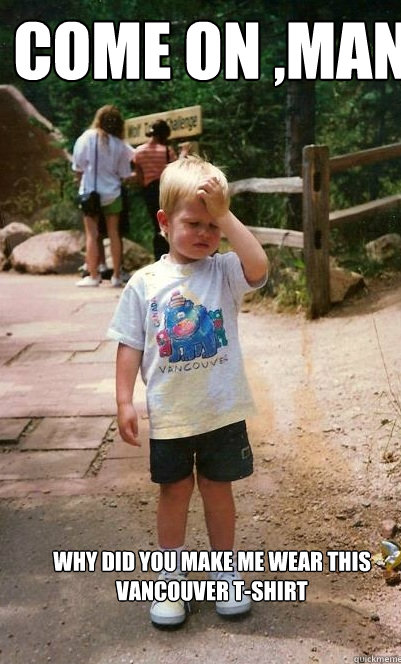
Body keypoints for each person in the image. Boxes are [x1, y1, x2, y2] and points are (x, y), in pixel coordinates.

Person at [107, 155, 268, 627]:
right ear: (163, 222)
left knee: (219, 491)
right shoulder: (145, 283)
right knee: (174, 492)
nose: (205, 234)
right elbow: (129, 344)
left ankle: (225, 573)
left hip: (220, 411)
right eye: (193, 223)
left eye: (212, 226)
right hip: (171, 415)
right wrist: (123, 400)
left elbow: (258, 265)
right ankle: (171, 579)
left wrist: (226, 216)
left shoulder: (223, 272)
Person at [73, 105, 134, 287]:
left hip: (90, 193)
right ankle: (116, 275)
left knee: (92, 235)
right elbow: (124, 174)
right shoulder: (120, 144)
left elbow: (78, 167)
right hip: (113, 193)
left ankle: (93, 276)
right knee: (114, 234)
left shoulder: (86, 138)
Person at [134, 119, 189, 261]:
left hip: (148, 190)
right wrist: (184, 152)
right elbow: (176, 167)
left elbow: (139, 177)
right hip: (163, 189)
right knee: (168, 221)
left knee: (156, 223)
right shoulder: (166, 150)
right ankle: (172, 255)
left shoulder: (139, 151)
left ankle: (158, 257)